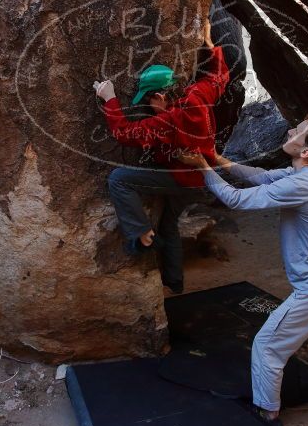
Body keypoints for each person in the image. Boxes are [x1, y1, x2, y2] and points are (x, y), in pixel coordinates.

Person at [178, 115, 308, 426]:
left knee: (267, 345)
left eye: (298, 132)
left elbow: (235, 199)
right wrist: (219, 160)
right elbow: (265, 178)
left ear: (305, 152)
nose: (290, 130)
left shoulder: (305, 184)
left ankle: (268, 411)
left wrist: (203, 169)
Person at [94, 19, 229, 294]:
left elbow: (125, 133)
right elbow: (219, 78)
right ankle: (175, 281)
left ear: (159, 96)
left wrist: (109, 99)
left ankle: (141, 233)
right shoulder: (198, 94)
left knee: (119, 179)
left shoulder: (166, 121)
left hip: (181, 178)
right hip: (203, 177)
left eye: (148, 101)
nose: (148, 107)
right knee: (170, 224)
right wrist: (209, 45)